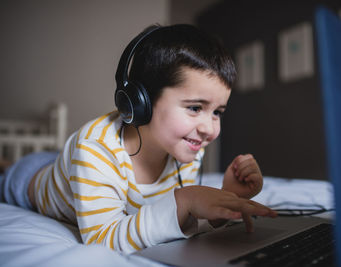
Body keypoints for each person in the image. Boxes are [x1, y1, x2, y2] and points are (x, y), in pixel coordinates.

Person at [0, 24, 276, 254]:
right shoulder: (94, 149)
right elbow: (102, 239)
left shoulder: (187, 147)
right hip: (30, 180)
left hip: (74, 169)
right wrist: (184, 200)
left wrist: (224, 198)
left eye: (217, 112)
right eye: (195, 108)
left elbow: (181, 220)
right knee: (9, 171)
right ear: (139, 101)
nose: (209, 129)